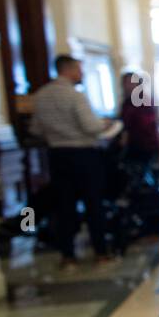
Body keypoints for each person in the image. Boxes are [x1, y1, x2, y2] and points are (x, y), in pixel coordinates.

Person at [29, 54, 117, 269]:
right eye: (78, 69)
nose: (81, 74)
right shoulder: (75, 96)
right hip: (83, 155)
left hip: (57, 155)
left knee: (64, 205)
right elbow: (91, 127)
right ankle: (101, 252)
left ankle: (68, 255)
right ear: (67, 70)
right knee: (93, 203)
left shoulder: (40, 96)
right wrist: (105, 124)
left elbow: (35, 130)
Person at [117, 70, 159, 169]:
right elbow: (124, 123)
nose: (128, 86)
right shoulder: (126, 103)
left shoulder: (144, 101)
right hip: (134, 145)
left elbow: (151, 125)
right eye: (126, 83)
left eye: (131, 83)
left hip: (147, 146)